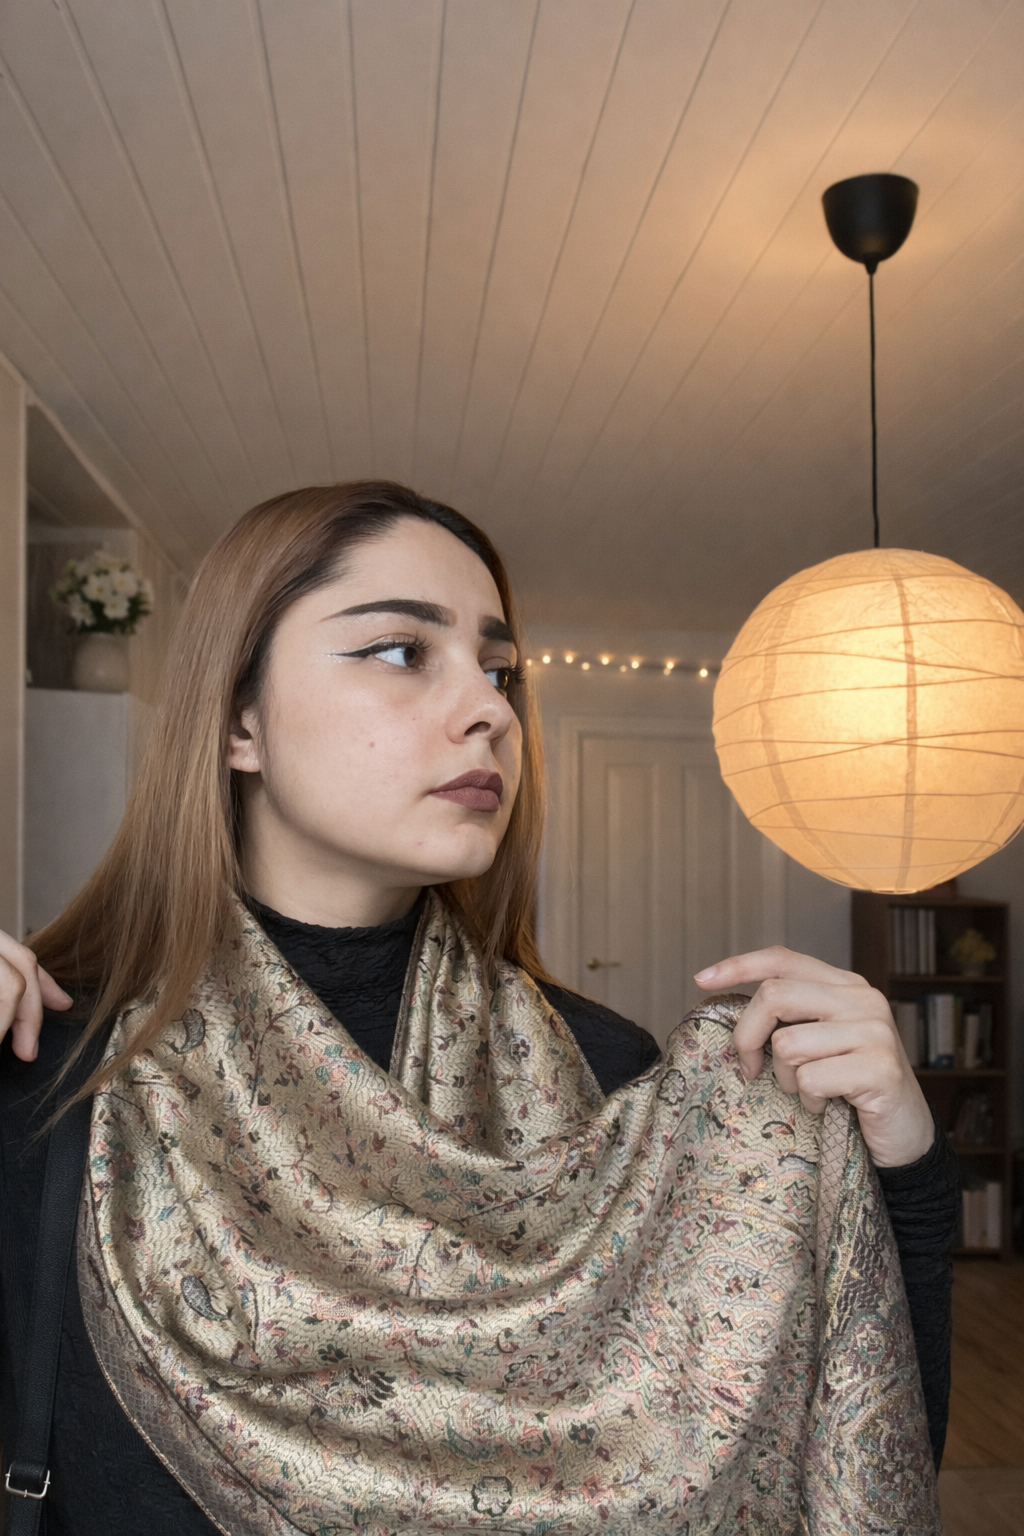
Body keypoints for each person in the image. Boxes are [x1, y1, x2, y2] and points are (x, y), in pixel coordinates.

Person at [1, 482, 956, 1535]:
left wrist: (898, 1163)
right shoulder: (55, 1077)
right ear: (240, 723)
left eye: (498, 669)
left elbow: (832, 1454)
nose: (492, 709)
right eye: (405, 652)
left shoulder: (612, 1078)